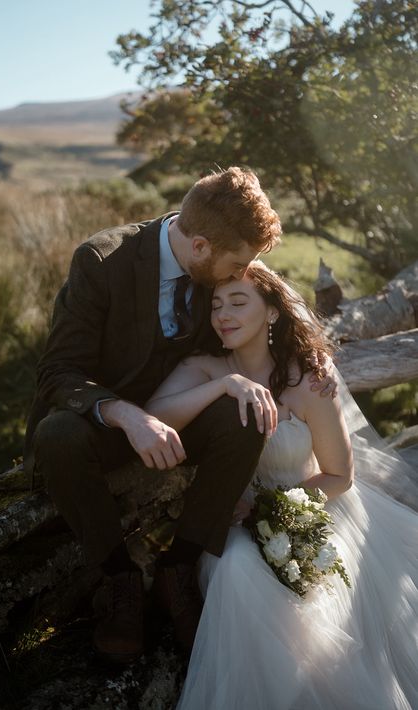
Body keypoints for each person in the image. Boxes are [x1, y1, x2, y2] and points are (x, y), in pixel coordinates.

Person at [24, 167, 336, 664]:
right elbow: (58, 371)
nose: (240, 275)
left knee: (248, 409)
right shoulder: (102, 261)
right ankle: (120, 580)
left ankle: (179, 569)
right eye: (236, 264)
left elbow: (265, 303)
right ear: (200, 247)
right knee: (56, 434)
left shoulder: (213, 266)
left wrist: (310, 359)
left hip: (183, 416)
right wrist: (125, 414)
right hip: (104, 424)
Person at [145, 261, 418, 710]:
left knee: (317, 603)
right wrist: (223, 387)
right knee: (236, 571)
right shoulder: (206, 367)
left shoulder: (308, 378)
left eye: (238, 302)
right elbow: (156, 413)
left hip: (314, 507)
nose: (224, 315)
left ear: (272, 312)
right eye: (216, 305)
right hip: (232, 523)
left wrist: (273, 511)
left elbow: (339, 475)